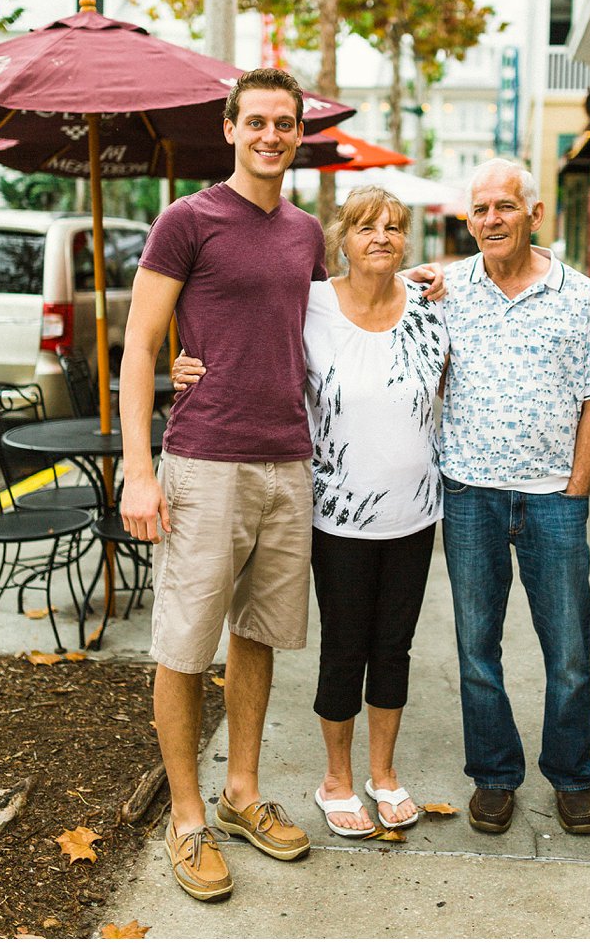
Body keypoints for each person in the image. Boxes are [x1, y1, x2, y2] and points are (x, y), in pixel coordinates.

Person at [121, 71, 443, 902]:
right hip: (205, 459)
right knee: (185, 645)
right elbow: (139, 348)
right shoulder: (185, 220)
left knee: (258, 634)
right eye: (255, 120)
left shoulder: (304, 233)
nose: (270, 134)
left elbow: (347, 303)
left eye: (284, 123)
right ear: (229, 128)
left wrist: (434, 282)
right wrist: (140, 470)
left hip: (290, 462)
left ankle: (241, 794)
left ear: (298, 135)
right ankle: (187, 817)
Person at [173, 186, 448, 840]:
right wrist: (179, 359)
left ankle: (383, 774)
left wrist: (439, 275)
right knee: (345, 646)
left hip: (415, 512)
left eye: (393, 227)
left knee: (394, 647)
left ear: (406, 240)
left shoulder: (434, 307)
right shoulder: (314, 302)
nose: (380, 235)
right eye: (364, 226)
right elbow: (235, 320)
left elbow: (504, 265)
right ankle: (337, 780)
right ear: (339, 241)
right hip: (339, 514)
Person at [439, 157, 590, 839]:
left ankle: (571, 776)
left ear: (533, 214)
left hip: (551, 501)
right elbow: (356, 302)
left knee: (568, 650)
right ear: (469, 219)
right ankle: (493, 775)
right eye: (480, 208)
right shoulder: (445, 287)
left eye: (504, 207)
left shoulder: (578, 295)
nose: (491, 219)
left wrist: (574, 495)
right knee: (476, 648)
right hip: (470, 494)